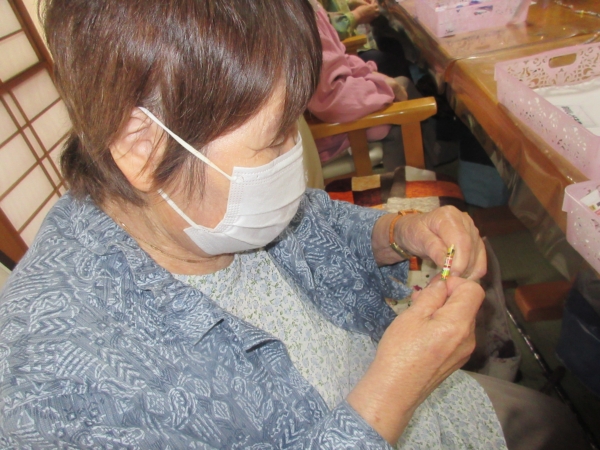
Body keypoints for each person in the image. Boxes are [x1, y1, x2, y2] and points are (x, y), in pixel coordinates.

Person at [0, 0, 589, 449]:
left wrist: (398, 234)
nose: (293, 156)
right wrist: (388, 399)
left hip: (417, 395)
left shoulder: (196, 209)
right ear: (143, 148)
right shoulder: (55, 385)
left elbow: (310, 223)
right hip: (392, 405)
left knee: (556, 424)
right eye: (276, 138)